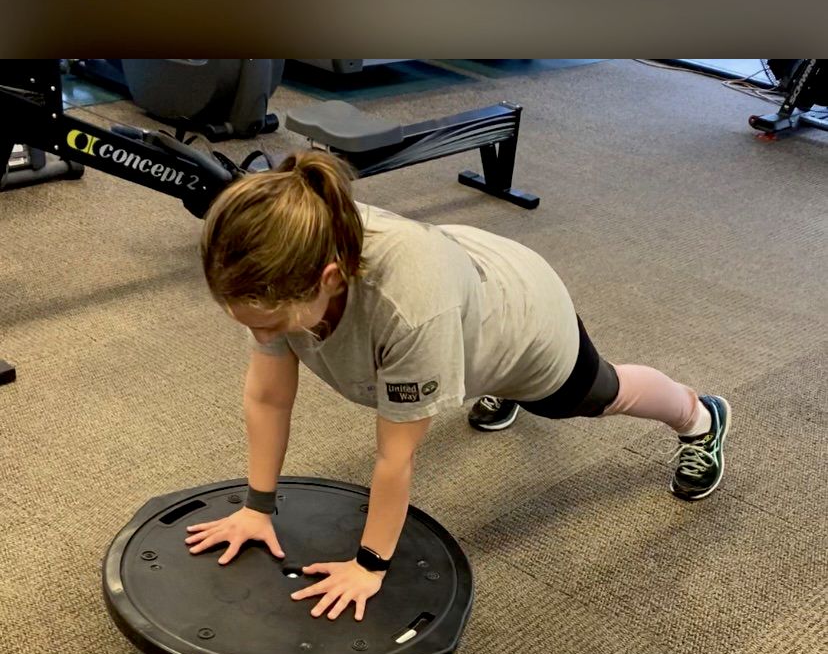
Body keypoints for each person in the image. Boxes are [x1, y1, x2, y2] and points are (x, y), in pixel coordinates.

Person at [185, 151, 731, 622]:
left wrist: (369, 565)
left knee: (597, 395)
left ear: (328, 279)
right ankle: (481, 379)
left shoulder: (410, 311)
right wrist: (257, 507)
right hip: (463, 294)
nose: (261, 338)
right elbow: (268, 396)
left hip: (523, 321)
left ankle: (698, 417)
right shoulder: (289, 246)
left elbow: (394, 458)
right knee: (418, 366)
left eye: (269, 325)